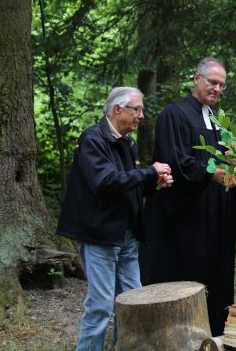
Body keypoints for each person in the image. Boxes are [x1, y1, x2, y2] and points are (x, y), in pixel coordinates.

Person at [56, 87, 174, 351]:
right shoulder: (92, 140)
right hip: (99, 236)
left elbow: (128, 187)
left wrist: (154, 182)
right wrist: (148, 172)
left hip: (127, 236)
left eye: (142, 110)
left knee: (134, 301)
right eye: (137, 109)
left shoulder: (127, 143)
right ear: (117, 109)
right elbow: (105, 182)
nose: (141, 116)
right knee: (100, 305)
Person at [139, 57, 236, 336]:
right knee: (192, 274)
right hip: (190, 214)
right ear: (197, 79)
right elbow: (174, 161)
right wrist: (211, 175)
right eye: (212, 82)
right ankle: (186, 332)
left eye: (222, 85)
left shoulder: (216, 119)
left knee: (217, 274)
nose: (217, 89)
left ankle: (216, 330)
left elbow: (226, 158)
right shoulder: (175, 114)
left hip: (218, 212)